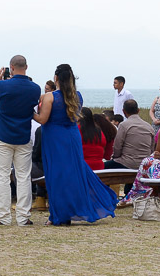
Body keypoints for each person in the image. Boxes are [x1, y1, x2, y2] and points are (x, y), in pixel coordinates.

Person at [36, 64, 117, 226]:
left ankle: (58, 215)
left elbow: (42, 119)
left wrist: (29, 113)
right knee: (73, 172)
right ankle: (69, 210)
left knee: (56, 174)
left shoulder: (50, 97)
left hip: (54, 137)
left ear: (56, 78)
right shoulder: (77, 96)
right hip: (72, 136)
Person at [0, 55, 42, 226]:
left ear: (11, 67)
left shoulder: (2, 85)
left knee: (2, 177)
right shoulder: (35, 88)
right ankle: (23, 216)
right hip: (23, 136)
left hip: (3, 135)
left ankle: (3, 217)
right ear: (26, 67)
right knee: (23, 177)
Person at [106, 99, 155, 193]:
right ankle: (128, 192)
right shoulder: (149, 126)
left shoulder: (124, 125)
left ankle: (105, 195)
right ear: (138, 110)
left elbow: (117, 147)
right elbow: (152, 149)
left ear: (124, 112)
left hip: (127, 163)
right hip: (144, 164)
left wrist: (115, 157)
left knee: (103, 169)